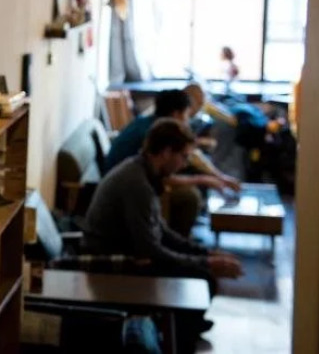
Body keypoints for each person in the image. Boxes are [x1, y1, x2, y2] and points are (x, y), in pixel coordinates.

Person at [84, 119, 243, 338]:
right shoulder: (137, 183)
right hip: (114, 261)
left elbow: (161, 231)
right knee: (202, 277)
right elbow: (149, 249)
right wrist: (205, 262)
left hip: (131, 251)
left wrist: (204, 253)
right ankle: (178, 333)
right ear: (167, 152)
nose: (185, 165)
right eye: (184, 156)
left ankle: (183, 326)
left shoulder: (142, 171)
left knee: (202, 273)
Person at [103, 89, 240, 236]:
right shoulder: (153, 133)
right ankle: (177, 239)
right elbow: (161, 177)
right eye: (187, 115)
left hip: (127, 179)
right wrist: (204, 179)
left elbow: (192, 157)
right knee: (189, 196)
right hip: (124, 190)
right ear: (176, 114)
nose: (188, 120)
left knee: (193, 172)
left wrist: (219, 178)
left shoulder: (152, 123)